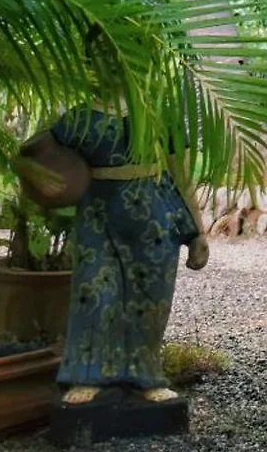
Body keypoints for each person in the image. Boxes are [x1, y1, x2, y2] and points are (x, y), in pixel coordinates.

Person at [23, 105, 208, 406]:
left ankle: (146, 376)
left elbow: (181, 173)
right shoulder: (78, 118)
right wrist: (26, 169)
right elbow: (39, 151)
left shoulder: (161, 111)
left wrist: (197, 232)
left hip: (155, 215)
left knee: (149, 300)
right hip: (97, 217)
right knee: (95, 294)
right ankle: (88, 375)